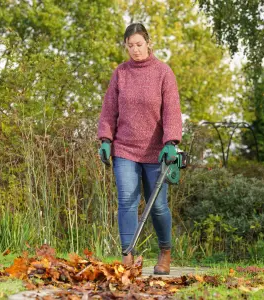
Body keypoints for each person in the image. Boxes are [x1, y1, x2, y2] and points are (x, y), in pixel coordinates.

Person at [97, 23, 182, 275]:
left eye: (139, 44)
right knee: (126, 201)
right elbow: (109, 109)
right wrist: (105, 138)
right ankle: (127, 258)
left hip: (157, 152)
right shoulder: (120, 73)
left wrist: (171, 143)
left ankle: (165, 251)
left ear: (148, 43)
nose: (135, 50)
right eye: (130, 45)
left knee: (157, 206)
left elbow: (172, 111)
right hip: (124, 148)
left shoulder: (163, 72)